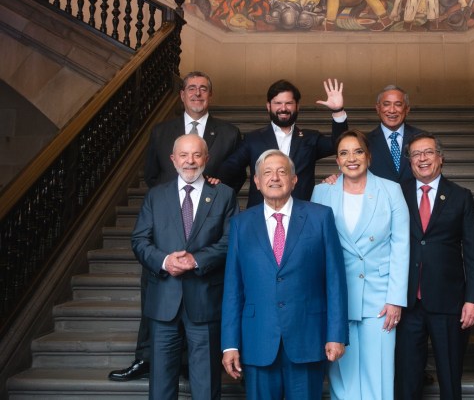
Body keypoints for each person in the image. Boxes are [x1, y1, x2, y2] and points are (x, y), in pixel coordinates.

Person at [109, 71, 243, 382]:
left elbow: (235, 178)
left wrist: (206, 189)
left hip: (205, 251)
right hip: (166, 243)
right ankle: (145, 358)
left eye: (204, 89)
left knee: (202, 369)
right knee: (159, 342)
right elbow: (152, 175)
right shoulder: (161, 134)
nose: (197, 94)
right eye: (191, 88)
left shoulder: (228, 133)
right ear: (181, 94)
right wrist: (170, 204)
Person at [221, 150, 348, 400]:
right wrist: (230, 344)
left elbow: (335, 280)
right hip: (258, 340)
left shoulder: (320, 217)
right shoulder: (241, 224)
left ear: (294, 180)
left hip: (307, 337)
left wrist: (336, 335)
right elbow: (233, 289)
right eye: (267, 172)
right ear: (256, 182)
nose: (275, 178)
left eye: (282, 172)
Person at [131, 134, 239, 399]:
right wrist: (165, 261)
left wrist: (196, 259)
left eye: (196, 155)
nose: (190, 161)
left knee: (205, 384)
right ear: (173, 159)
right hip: (164, 302)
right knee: (161, 385)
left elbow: (232, 241)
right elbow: (139, 240)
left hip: (204, 301)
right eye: (184, 155)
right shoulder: (156, 196)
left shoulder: (224, 194)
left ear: (206, 158)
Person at [311, 129, 409, 399]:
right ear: (337, 161)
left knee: (378, 373)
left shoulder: (390, 190)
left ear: (369, 156)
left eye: (357, 152)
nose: (351, 158)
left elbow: (401, 245)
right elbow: (315, 248)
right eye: (343, 153)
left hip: (380, 299)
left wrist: (395, 299)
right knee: (343, 376)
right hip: (338, 298)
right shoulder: (322, 192)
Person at [395, 132, 474, 400]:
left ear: (440, 158)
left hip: (449, 302)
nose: (422, 159)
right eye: (416, 154)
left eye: (428, 152)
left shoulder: (461, 196)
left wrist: (473, 300)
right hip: (406, 301)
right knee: (406, 378)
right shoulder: (395, 193)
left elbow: (472, 253)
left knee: (449, 376)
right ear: (410, 161)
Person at [219, 78, 348, 208]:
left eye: (289, 103)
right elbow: (229, 169)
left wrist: (338, 111)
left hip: (302, 213)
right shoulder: (253, 139)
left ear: (297, 106)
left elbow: (340, 144)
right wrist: (211, 183)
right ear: (269, 106)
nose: (283, 108)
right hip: (260, 214)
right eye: (278, 103)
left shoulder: (310, 138)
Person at [366, 85, 424, 184]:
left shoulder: (422, 138)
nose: (392, 110)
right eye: (386, 104)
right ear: (378, 108)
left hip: (413, 198)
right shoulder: (365, 142)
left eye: (398, 104)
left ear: (407, 109)